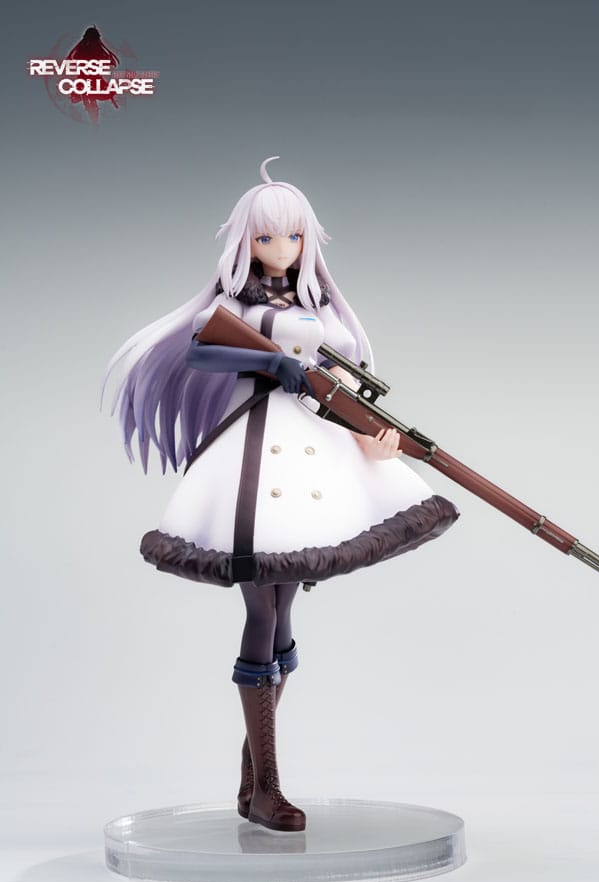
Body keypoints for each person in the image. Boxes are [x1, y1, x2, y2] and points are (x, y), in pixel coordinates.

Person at [105, 158, 459, 832]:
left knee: (284, 613)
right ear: (247, 242)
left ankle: (252, 782)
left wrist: (374, 439)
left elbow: (342, 383)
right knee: (261, 613)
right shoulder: (236, 306)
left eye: (293, 237)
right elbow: (202, 351)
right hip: (250, 459)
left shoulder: (319, 307)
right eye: (267, 238)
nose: (281, 248)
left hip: (310, 463)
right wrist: (272, 363)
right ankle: (266, 787)